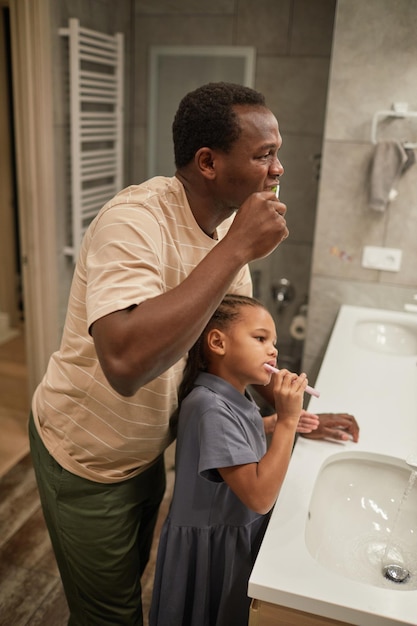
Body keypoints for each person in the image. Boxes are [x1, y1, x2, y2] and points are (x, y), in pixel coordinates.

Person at [29, 82, 358, 625]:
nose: (278, 170)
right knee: (109, 616)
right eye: (263, 155)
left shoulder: (229, 232)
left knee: (121, 589)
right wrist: (234, 250)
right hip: (85, 455)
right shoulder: (133, 222)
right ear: (207, 162)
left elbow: (221, 355)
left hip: (146, 448)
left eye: (277, 154)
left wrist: (283, 420)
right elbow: (126, 366)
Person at [149, 294, 318, 626]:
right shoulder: (209, 406)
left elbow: (237, 435)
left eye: (274, 342)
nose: (273, 351)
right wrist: (285, 421)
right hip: (212, 549)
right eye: (260, 338)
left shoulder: (232, 393)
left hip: (228, 533)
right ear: (217, 342)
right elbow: (259, 497)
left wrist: (272, 423)